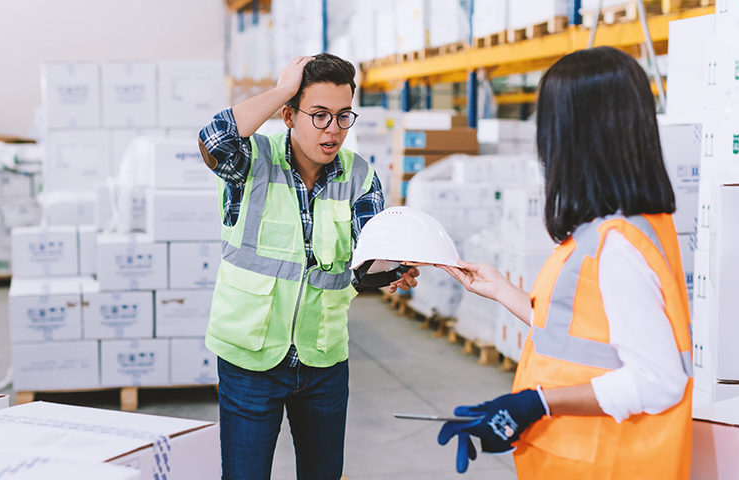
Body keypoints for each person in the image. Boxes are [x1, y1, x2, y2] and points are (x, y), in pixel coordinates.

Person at [436, 46, 693, 478]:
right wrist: (501, 290)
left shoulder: (617, 246)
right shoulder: (620, 228)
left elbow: (659, 380)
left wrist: (535, 402)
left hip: (610, 464)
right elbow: (581, 332)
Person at [198, 53, 419, 480]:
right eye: (318, 115)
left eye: (342, 116)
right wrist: (283, 86)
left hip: (323, 360)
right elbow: (214, 140)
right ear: (288, 115)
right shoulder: (253, 162)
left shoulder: (359, 175)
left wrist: (392, 271)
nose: (333, 129)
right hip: (251, 359)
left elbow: (364, 258)